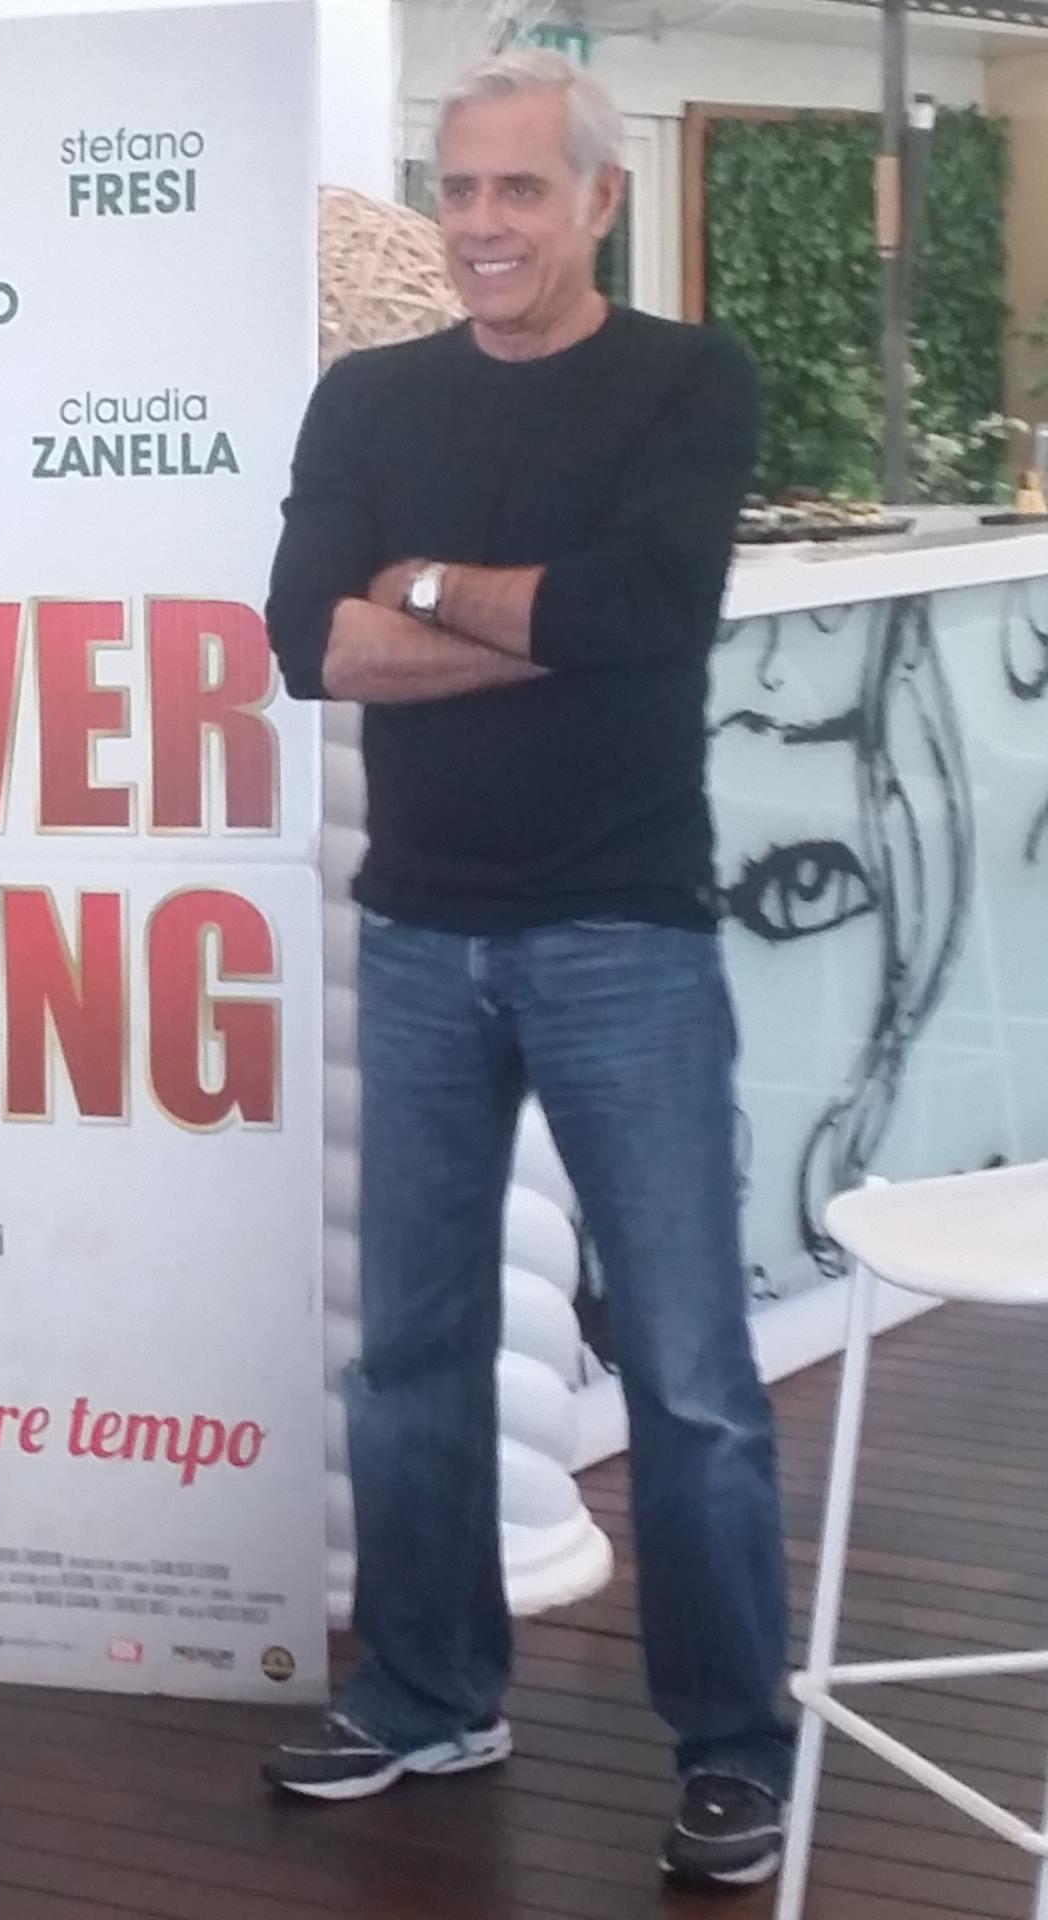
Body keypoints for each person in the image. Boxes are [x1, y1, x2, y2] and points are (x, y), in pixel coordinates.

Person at [262, 46, 793, 1890]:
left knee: (693, 1376)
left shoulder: (688, 378)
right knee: (410, 1356)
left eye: (521, 191)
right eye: (461, 189)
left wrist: (418, 586)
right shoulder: (371, 396)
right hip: (419, 929)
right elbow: (304, 647)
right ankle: (429, 1693)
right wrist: (531, 618)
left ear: (598, 200)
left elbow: (650, 611)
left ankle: (731, 1749)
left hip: (625, 932)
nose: (483, 224)